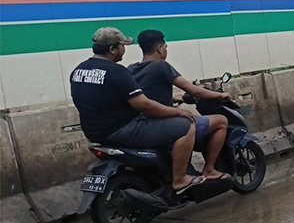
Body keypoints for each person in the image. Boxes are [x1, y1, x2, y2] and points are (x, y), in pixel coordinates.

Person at [70, 27, 206, 193]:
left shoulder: (78, 71)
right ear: (112, 49)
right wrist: (178, 111)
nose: (124, 50)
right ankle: (180, 179)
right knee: (186, 125)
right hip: (125, 129)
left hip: (95, 132)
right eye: (122, 45)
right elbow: (144, 105)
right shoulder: (117, 71)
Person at [128, 30, 232, 181]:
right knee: (221, 121)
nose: (165, 50)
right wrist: (220, 95)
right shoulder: (161, 66)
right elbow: (194, 91)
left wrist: (173, 98)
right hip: (163, 123)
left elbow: (145, 96)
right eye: (165, 47)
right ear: (159, 48)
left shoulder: (131, 69)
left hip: (143, 123)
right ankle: (209, 169)